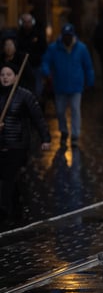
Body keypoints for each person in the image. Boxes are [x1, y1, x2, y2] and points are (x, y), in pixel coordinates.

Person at [0, 63, 51, 221]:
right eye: (2, 75)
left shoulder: (25, 95)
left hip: (18, 145)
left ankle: (3, 209)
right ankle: (16, 209)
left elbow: (38, 118)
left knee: (9, 177)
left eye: (9, 74)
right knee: (8, 178)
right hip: (1, 144)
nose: (5, 78)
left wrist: (46, 138)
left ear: (15, 77)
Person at [41, 23, 94, 147]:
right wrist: (46, 72)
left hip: (76, 86)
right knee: (60, 112)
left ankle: (75, 135)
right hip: (60, 85)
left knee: (76, 111)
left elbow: (88, 66)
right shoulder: (54, 48)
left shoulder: (81, 48)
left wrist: (89, 81)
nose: (67, 38)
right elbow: (46, 61)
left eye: (69, 36)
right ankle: (64, 131)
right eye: (66, 36)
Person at [16, 13, 47, 101]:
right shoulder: (19, 35)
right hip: (23, 67)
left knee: (37, 90)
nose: (27, 24)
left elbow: (44, 48)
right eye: (25, 22)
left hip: (36, 66)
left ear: (32, 22)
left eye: (29, 22)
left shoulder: (38, 34)